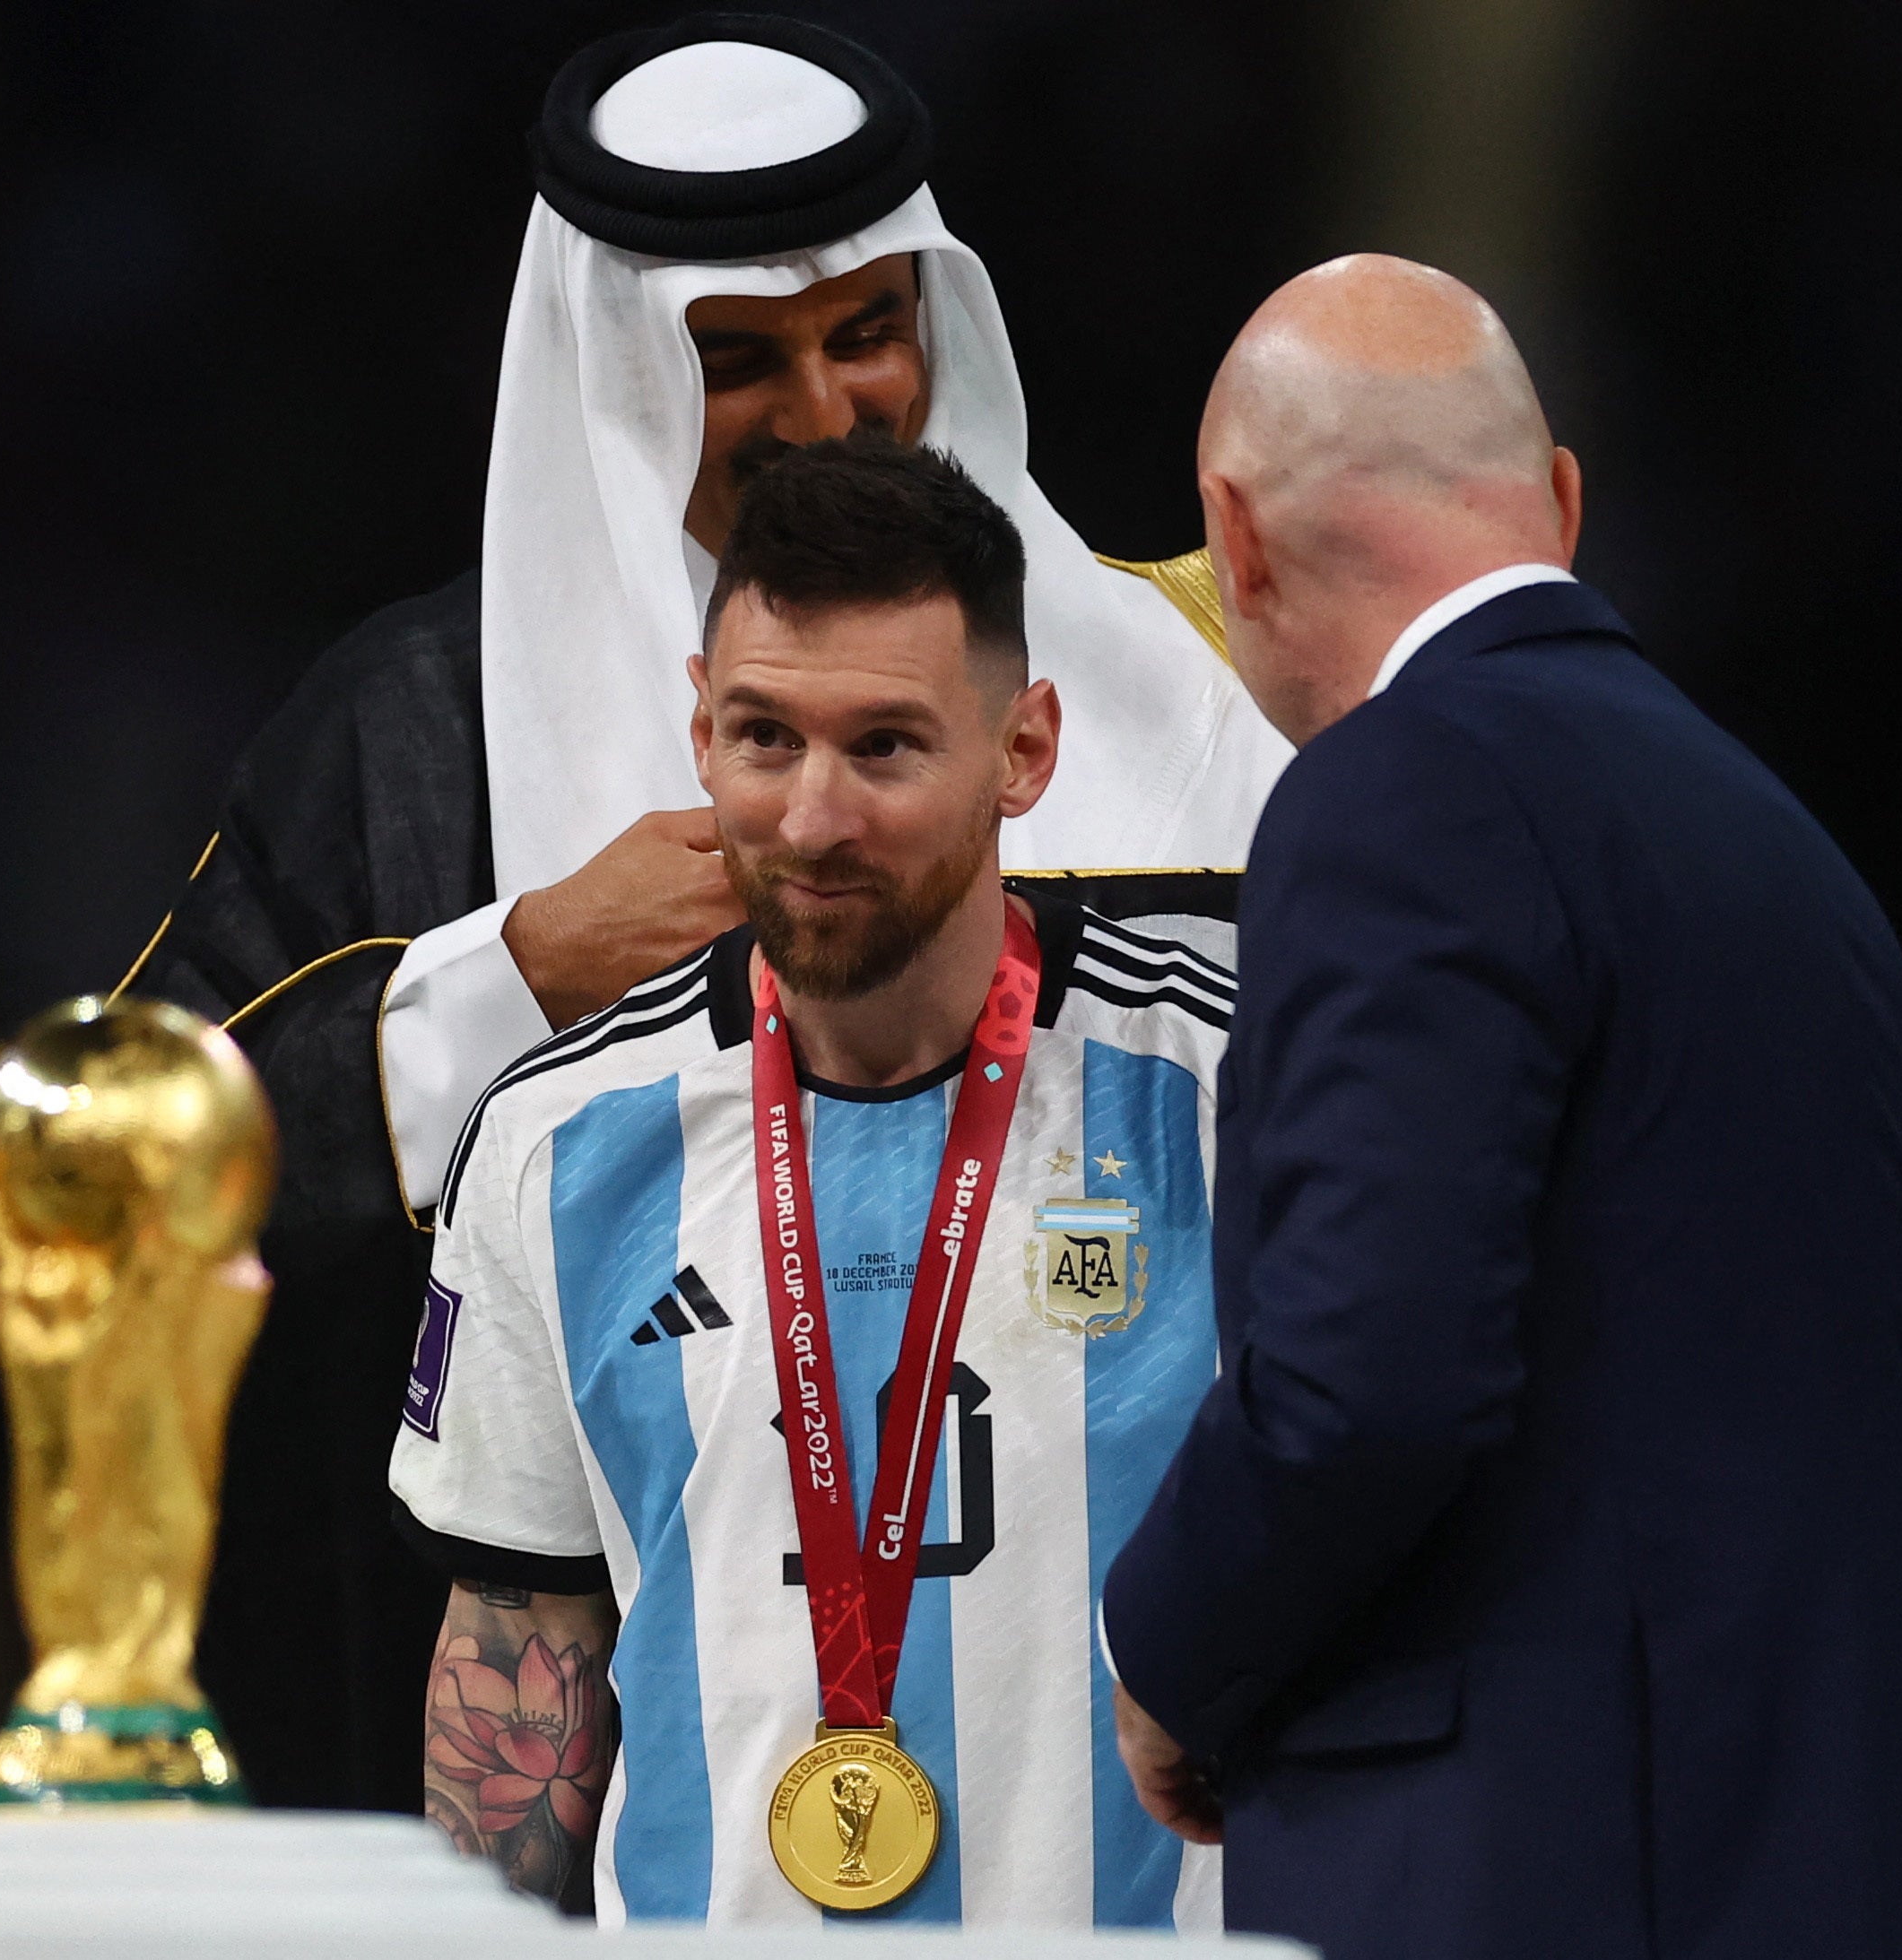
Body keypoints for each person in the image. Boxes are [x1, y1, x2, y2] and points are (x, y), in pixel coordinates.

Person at [117, 15, 1289, 1807]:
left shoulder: (1196, 683)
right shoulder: (418, 738)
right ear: (614, 374)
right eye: (737, 361)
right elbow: (102, 1193)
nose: (828, 413)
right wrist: (505, 984)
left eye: (868, 333)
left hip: (1152, 1792)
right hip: (614, 1807)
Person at [1100, 256, 1902, 1958]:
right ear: (1561, 504)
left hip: (1557, 1864)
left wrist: (1167, 1650)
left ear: (1231, 538)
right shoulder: (1770, 836)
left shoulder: (1402, 792)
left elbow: (1362, 1382)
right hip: (1838, 1849)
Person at [390, 437, 1236, 1929]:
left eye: (886, 746)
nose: (812, 816)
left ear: (1025, 749)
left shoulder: (1232, 1094)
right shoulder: (549, 1137)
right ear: (699, 727)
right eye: (764, 736)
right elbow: (515, 1655)